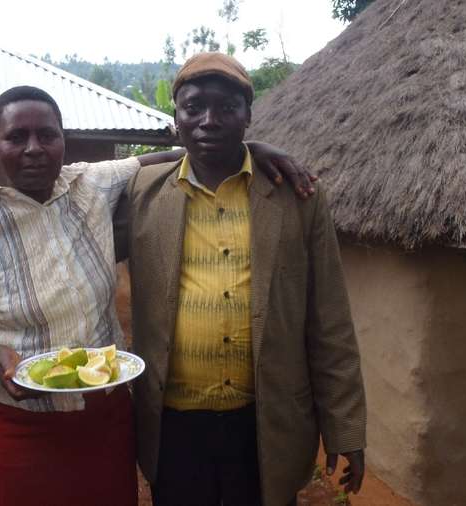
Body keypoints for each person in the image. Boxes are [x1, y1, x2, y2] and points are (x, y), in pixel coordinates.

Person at [0, 85, 312, 506]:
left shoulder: (91, 184)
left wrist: (250, 149)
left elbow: (179, 155)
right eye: (16, 137)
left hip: (105, 415)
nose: (34, 148)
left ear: (64, 140)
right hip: (19, 423)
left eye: (47, 135)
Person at [114, 52, 367, 506]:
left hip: (266, 423)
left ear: (249, 115)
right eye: (194, 107)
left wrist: (344, 427)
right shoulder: (142, 194)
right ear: (177, 116)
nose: (209, 120)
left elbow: (330, 318)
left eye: (227, 107)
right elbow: (68, 211)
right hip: (172, 424)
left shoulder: (298, 196)